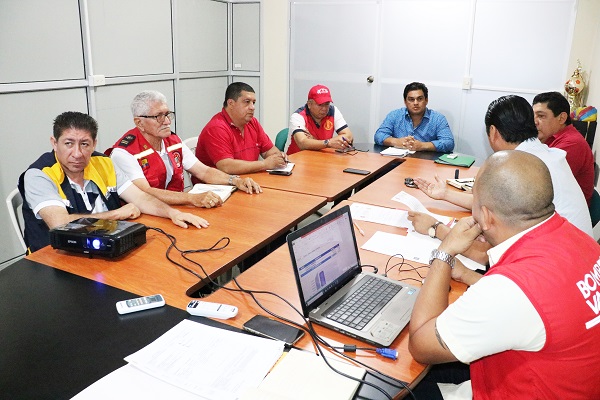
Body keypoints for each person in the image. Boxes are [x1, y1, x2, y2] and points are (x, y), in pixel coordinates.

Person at [408, 150, 600, 399]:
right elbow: (538, 301)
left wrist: (444, 253)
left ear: (486, 216)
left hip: (521, 390)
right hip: (565, 380)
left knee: (399, 382)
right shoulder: (578, 239)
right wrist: (467, 275)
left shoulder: (509, 292)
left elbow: (421, 344)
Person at [19, 111, 208, 254]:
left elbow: (140, 197)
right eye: (68, 143)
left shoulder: (104, 163)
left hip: (103, 251)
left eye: (84, 144)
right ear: (54, 143)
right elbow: (59, 223)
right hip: (54, 259)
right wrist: (117, 214)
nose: (77, 153)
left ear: (94, 144)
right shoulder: (39, 174)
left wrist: (173, 213)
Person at [413, 95, 593, 238]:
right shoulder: (545, 153)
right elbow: (489, 205)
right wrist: (445, 194)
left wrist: (435, 228)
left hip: (559, 267)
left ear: (493, 132)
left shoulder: (519, 166)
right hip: (582, 262)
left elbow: (486, 245)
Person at [106, 90, 262, 209]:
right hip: (147, 214)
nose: (167, 121)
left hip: (177, 207)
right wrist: (191, 198)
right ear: (139, 123)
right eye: (158, 116)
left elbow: (203, 172)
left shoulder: (172, 140)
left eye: (167, 114)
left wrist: (235, 180)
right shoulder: (124, 152)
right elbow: (145, 193)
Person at [194, 82, 287, 176]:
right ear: (231, 103)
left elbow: (269, 151)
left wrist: (278, 157)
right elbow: (226, 166)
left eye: (253, 102)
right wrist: (264, 164)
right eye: (247, 102)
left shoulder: (252, 122)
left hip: (247, 180)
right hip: (219, 186)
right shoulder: (216, 128)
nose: (252, 107)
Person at [533, 91, 594, 205]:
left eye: (541, 116)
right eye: (533, 116)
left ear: (561, 118)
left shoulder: (572, 143)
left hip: (566, 214)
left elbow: (541, 183)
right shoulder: (548, 136)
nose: (534, 122)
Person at [374, 82, 454, 152]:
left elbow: (449, 143)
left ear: (426, 100)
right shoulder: (395, 115)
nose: (415, 103)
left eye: (419, 99)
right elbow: (379, 135)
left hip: (426, 163)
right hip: (399, 160)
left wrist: (422, 146)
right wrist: (397, 142)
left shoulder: (438, 119)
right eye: (411, 99)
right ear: (405, 102)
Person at [286, 84, 354, 155]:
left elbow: (349, 136)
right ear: (309, 104)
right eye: (320, 105)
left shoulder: (333, 111)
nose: (324, 109)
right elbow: (302, 143)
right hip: (297, 159)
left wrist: (315, 141)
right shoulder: (298, 116)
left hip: (322, 157)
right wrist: (328, 143)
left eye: (327, 104)